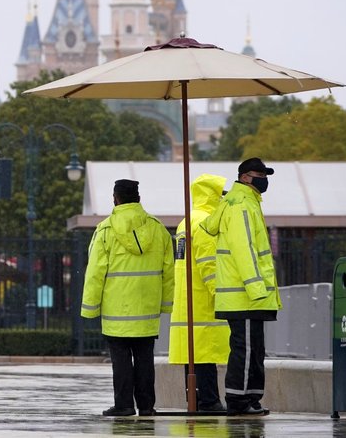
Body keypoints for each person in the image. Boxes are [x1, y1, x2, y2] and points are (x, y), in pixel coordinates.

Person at [81, 179, 174, 417]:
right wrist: (166, 305)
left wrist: (90, 308)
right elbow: (168, 270)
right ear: (139, 198)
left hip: (116, 311)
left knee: (120, 361)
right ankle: (146, 406)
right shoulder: (158, 229)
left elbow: (95, 273)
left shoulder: (105, 230)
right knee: (145, 359)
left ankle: (123, 405)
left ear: (116, 198)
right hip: (147, 310)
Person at [200, 157, 281, 416]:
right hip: (244, 296)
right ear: (245, 177)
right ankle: (238, 400)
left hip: (245, 297)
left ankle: (251, 398)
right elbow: (244, 250)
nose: (264, 179)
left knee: (254, 350)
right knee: (246, 350)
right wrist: (257, 289)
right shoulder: (241, 205)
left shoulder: (245, 203)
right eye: (259, 174)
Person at [168, 174, 230, 412]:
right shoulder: (206, 222)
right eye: (221, 193)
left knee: (192, 355)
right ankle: (209, 401)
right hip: (203, 300)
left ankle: (193, 399)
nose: (224, 198)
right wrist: (220, 294)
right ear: (213, 194)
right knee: (205, 354)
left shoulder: (186, 221)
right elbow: (209, 263)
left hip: (187, 299)